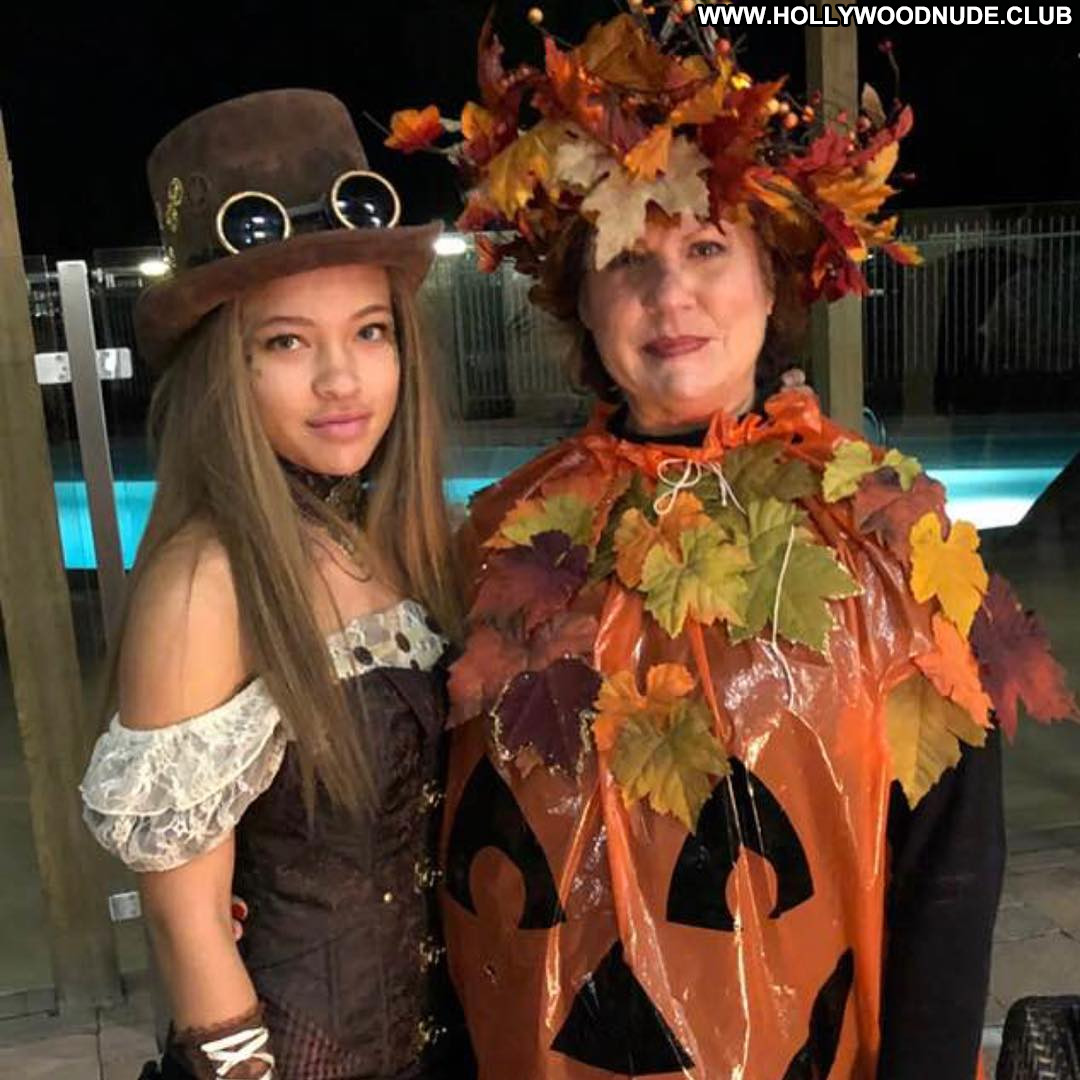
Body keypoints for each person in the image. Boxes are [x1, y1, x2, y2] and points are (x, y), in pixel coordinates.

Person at [387, 12, 1077, 1079]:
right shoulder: (505, 543)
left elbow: (947, 874)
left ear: (773, 279)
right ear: (582, 301)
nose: (671, 295)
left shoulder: (888, 539)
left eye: (707, 248)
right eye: (627, 257)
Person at [79, 90, 462, 1079]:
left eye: (369, 331)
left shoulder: (395, 543)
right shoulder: (204, 587)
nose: (342, 379)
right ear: (225, 370)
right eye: (286, 341)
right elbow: (189, 926)